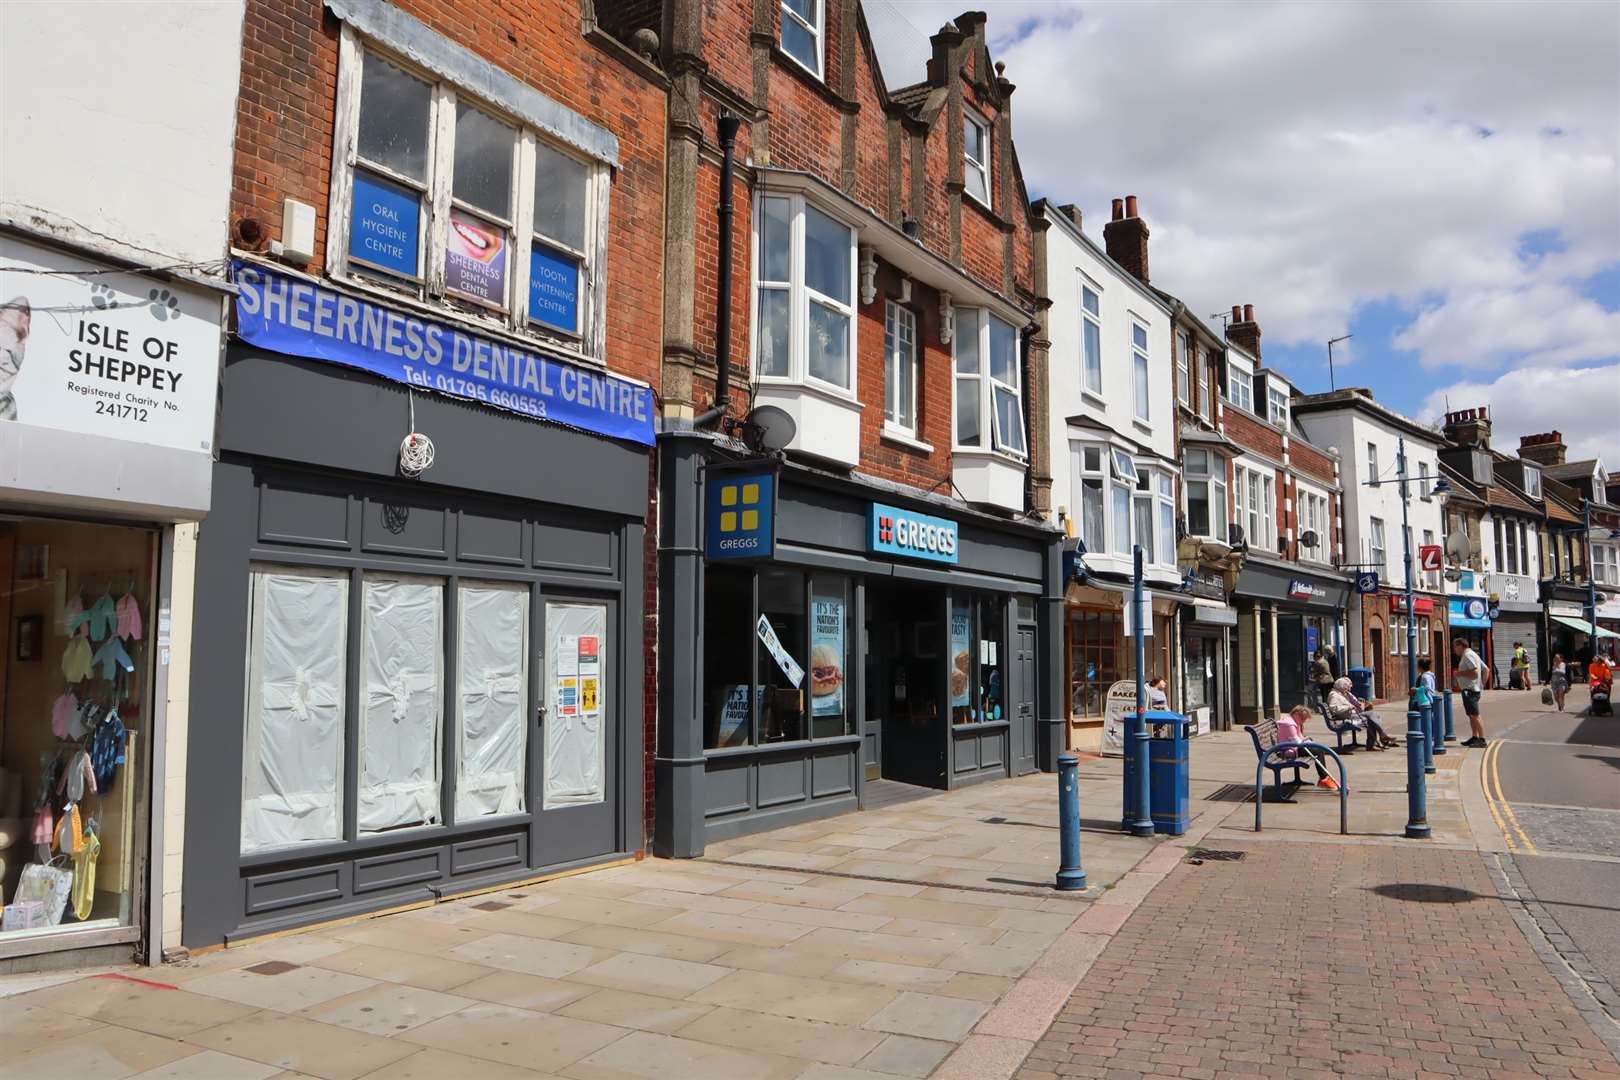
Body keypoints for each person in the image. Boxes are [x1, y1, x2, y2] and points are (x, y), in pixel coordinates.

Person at [1326, 676, 1398, 749]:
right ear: (1341, 687)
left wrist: (1354, 701)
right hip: (1345, 716)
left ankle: (1377, 740)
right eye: (1346, 688)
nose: (1348, 690)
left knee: (1373, 717)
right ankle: (1379, 739)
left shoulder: (1342, 694)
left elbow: (1355, 703)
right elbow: (1334, 709)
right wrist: (1348, 707)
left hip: (1352, 714)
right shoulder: (1334, 695)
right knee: (1371, 716)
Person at [1278, 704, 1339, 789]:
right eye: (1302, 718)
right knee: (1318, 751)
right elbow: (1297, 741)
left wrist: (1306, 740)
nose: (1303, 721)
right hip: (1289, 750)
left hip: (1294, 747)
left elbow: (1300, 737)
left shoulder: (1295, 722)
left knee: (1319, 749)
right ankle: (1323, 778)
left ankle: (1324, 778)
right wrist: (1305, 740)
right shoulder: (1289, 725)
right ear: (1296, 714)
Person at [1452, 636, 1488, 747]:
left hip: (1470, 690)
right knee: (1471, 715)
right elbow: (1486, 669)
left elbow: (1475, 672)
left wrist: (1459, 674)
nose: (1454, 649)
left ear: (1460, 646)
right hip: (1471, 689)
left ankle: (1482, 740)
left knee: (1475, 715)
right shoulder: (1472, 654)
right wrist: (1482, 685)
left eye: (1455, 647)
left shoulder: (1468, 655)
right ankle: (1474, 737)